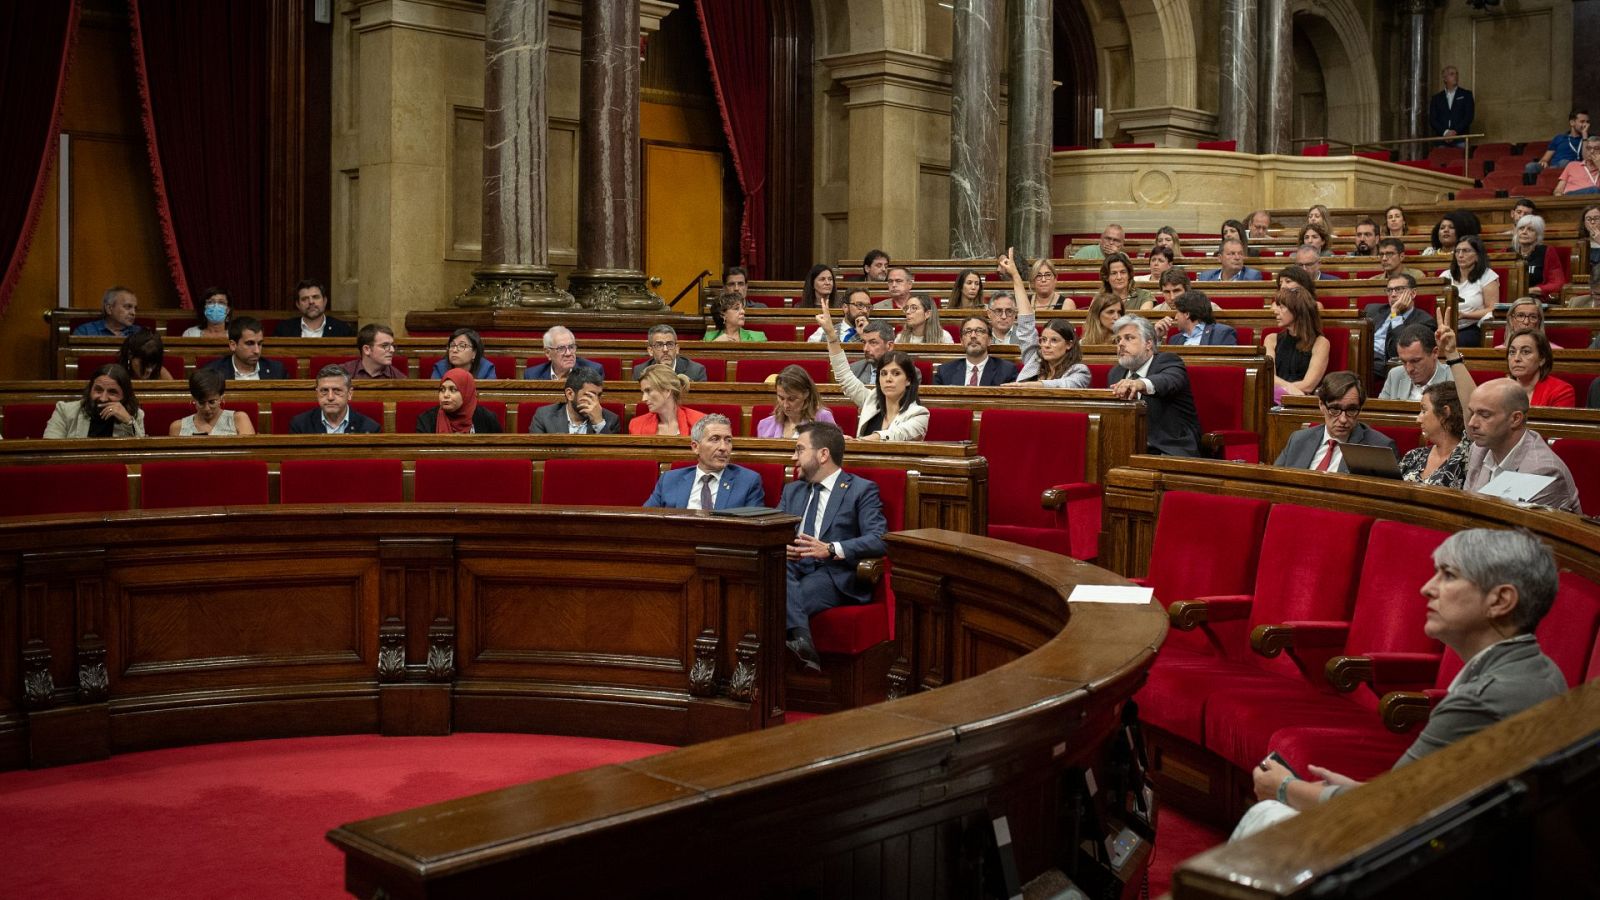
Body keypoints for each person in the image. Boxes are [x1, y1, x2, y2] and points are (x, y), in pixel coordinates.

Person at [1240, 529, 1565, 839]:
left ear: (1501, 600)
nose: (1427, 588)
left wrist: (1284, 788)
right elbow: (1417, 794)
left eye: (1448, 575)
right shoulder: (1541, 669)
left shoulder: (1479, 702)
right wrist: (1356, 791)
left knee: (1267, 815)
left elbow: (1387, 811)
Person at [780, 421, 888, 672]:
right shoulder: (792, 491)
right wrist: (780, 547)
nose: (793, 457)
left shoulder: (860, 490)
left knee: (773, 601)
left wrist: (830, 549)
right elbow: (776, 531)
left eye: (799, 449)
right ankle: (803, 644)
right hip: (793, 566)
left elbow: (879, 538)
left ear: (823, 454)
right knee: (774, 575)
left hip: (834, 573)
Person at [1439, 338, 1582, 511]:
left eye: (1485, 415)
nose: (1472, 423)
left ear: (1515, 419)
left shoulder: (1543, 471)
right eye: (1473, 412)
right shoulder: (1479, 449)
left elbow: (1518, 535)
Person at [818, 299, 928, 441]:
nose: (888, 379)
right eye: (883, 374)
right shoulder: (871, 401)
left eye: (896, 373)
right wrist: (831, 335)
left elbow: (894, 435)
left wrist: (857, 442)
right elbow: (844, 377)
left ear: (908, 380)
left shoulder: (919, 414)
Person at [1107, 315, 1200, 456]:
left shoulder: (1168, 361)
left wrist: (1140, 383)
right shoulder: (1116, 372)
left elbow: (1168, 381)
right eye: (1118, 339)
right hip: (1127, 447)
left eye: (1129, 338)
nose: (1121, 344)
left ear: (1148, 343)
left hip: (1168, 448)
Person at [998, 246, 1088, 388]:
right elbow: (1026, 326)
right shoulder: (1034, 360)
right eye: (1043, 340)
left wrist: (1032, 386)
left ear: (1069, 344)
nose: (1046, 345)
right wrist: (1015, 276)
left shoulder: (1079, 371)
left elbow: (1066, 385)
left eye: (1054, 340)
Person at [1272, 371, 1394, 472]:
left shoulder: (1379, 448)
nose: (1343, 419)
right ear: (1321, 405)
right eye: (1335, 410)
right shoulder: (1298, 440)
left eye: (1351, 410)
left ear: (1360, 408)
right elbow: (1275, 483)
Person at [643, 414, 765, 511]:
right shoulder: (670, 480)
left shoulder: (748, 481)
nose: (724, 447)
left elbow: (754, 531)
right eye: (714, 439)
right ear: (696, 447)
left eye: (728, 440)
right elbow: (645, 520)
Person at [43, 364, 145, 438]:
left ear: (125, 396)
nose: (103, 398)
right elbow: (50, 450)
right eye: (98, 390)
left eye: (112, 392)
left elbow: (141, 454)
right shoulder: (65, 411)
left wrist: (128, 422)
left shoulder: (135, 416)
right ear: (90, 389)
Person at [1398, 381, 1468, 487]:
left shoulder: (1467, 460)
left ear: (1445, 413)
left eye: (1424, 410)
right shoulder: (1413, 456)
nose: (1418, 419)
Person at [1264, 288, 1330, 401]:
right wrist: (1289, 389)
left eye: (1282, 307)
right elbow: (1269, 378)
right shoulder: (1271, 339)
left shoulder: (1321, 343)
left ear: (1297, 310)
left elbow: (1308, 385)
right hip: (1272, 398)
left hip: (1301, 402)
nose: (1275, 311)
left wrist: (1281, 390)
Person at [1365, 274, 1437, 372]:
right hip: (1362, 354)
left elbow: (1402, 349)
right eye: (1390, 290)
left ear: (1413, 293)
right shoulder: (1372, 310)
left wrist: (1395, 314)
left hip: (1382, 363)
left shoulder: (1424, 321)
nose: (1393, 294)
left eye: (1399, 289)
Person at [288, 365, 381, 434]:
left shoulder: (369, 428)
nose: (330, 397)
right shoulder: (300, 425)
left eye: (337, 390)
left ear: (349, 393)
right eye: (324, 390)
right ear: (317, 393)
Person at [1497, 329, 1577, 407]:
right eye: (1512, 352)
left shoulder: (1560, 391)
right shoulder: (1498, 389)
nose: (1516, 358)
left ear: (1542, 359)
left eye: (1525, 352)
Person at [1442, 235, 1498, 347]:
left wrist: (1465, 315)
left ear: (1477, 256)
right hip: (1444, 326)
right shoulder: (1446, 275)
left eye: (1466, 251)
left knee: (1454, 342)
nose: (1460, 255)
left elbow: (1493, 309)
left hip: (1472, 327)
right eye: (1457, 251)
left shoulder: (1487, 276)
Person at [528, 367, 620, 434]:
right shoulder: (544, 416)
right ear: (570, 394)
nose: (596, 402)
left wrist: (598, 423)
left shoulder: (610, 420)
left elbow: (610, 458)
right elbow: (537, 455)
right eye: (589, 395)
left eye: (599, 395)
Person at [169, 367, 256, 436]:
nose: (207, 408)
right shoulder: (177, 427)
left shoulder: (239, 419)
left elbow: (248, 456)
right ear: (193, 399)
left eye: (212, 402)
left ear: (221, 397)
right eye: (201, 403)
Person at [934, 316, 1019, 386]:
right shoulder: (944, 371)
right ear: (962, 341)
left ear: (989, 340)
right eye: (968, 332)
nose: (973, 336)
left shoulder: (1007, 371)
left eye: (979, 331)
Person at [757, 365, 836, 438]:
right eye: (781, 398)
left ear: (806, 394)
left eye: (791, 399)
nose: (785, 405)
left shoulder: (822, 418)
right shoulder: (765, 425)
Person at [414, 369, 501, 433]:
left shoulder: (486, 418)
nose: (445, 395)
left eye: (453, 390)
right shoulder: (427, 420)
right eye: (442, 389)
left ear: (466, 393)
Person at [1379, 324, 1450, 401]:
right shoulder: (1395, 375)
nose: (1409, 369)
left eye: (1415, 361)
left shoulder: (1453, 378)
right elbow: (1380, 410)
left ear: (1435, 353)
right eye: (1404, 361)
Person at [628, 364, 704, 436]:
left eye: (648, 391)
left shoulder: (700, 423)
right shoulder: (637, 425)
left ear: (667, 390)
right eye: (643, 393)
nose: (643, 399)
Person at [202, 317, 287, 380]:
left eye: (260, 343)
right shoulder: (212, 372)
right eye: (250, 343)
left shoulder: (277, 370)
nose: (257, 351)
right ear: (233, 345)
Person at [273, 279, 356, 338]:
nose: (311, 302)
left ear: (325, 301)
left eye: (315, 297)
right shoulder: (283, 330)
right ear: (298, 305)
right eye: (305, 299)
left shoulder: (343, 330)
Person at [1524, 108, 1590, 182]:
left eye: (1587, 122)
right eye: (1582, 122)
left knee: (1565, 162)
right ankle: (1530, 191)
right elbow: (1545, 158)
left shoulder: (1590, 139)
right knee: (1530, 166)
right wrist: (1544, 161)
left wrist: (1585, 136)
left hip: (1574, 168)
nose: (1585, 125)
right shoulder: (1559, 138)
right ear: (1572, 122)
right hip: (1554, 167)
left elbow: (1587, 158)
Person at [1512, 215, 1567, 299]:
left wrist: (1530, 290)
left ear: (1538, 235)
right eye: (1521, 228)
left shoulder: (1546, 252)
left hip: (1535, 300)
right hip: (1509, 299)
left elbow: (1558, 283)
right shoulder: (1507, 253)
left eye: (1530, 229)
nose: (1524, 232)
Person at [1158, 291, 1238, 346]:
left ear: (1187, 314)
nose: (1175, 317)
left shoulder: (1222, 333)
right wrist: (1158, 337)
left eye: (1177, 312)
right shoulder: (1174, 340)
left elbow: (1227, 365)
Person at [630, 325, 707, 381]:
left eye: (670, 344)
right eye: (659, 345)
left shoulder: (696, 371)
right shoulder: (640, 371)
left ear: (677, 349)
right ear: (650, 351)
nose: (665, 349)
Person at [524, 325, 603, 380]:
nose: (568, 353)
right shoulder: (532, 375)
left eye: (571, 347)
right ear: (548, 353)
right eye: (561, 348)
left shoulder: (593, 372)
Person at [342, 324, 407, 379]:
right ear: (367, 349)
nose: (392, 350)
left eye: (392, 345)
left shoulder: (399, 379)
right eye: (385, 345)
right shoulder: (342, 373)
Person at [1428, 65, 1474, 143]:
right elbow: (1433, 119)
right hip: (1442, 140)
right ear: (1445, 78)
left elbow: (1468, 117)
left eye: (1456, 74)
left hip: (1460, 139)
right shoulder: (1436, 98)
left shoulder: (1466, 95)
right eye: (1452, 74)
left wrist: (1454, 132)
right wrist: (1445, 132)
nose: (1455, 76)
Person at [430, 327, 499, 379]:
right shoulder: (440, 368)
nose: (454, 350)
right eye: (452, 345)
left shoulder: (486, 369)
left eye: (462, 346)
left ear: (474, 353)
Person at [809, 288, 874, 343]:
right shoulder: (824, 331)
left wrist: (866, 335)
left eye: (868, 306)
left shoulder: (875, 334)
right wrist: (830, 333)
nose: (865, 311)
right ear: (845, 307)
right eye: (859, 305)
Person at [73, 287, 141, 337]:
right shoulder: (85, 332)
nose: (133, 313)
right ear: (109, 308)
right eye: (128, 307)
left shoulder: (140, 333)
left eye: (135, 308)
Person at [1497, 298, 1562, 349]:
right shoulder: (1498, 352)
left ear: (1539, 321)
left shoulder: (1556, 351)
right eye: (1520, 316)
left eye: (1533, 317)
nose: (1526, 322)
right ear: (1511, 320)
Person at [848, 320, 896, 386]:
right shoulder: (853, 371)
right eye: (864, 342)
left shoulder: (907, 372)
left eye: (873, 343)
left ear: (889, 346)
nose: (865, 349)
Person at [1197, 238, 1262, 281]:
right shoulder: (1206, 277)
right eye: (1232, 254)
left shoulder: (1252, 277)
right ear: (1220, 258)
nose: (1237, 257)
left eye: (1240, 253)